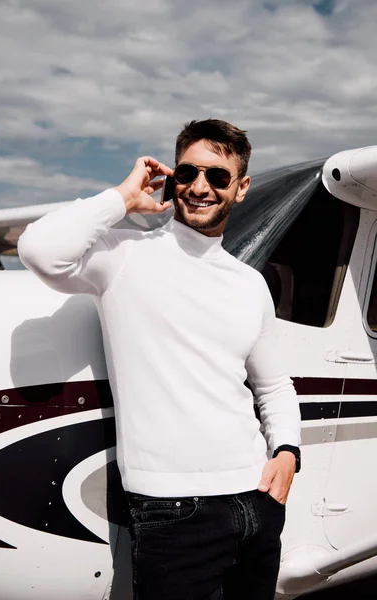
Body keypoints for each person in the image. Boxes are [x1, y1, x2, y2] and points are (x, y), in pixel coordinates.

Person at [18, 119, 301, 600]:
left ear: (241, 188)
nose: (200, 187)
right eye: (188, 172)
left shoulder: (249, 283)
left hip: (256, 501)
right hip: (171, 511)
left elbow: (273, 386)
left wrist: (288, 454)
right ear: (173, 177)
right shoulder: (125, 254)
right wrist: (123, 198)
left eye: (218, 177)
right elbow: (39, 251)